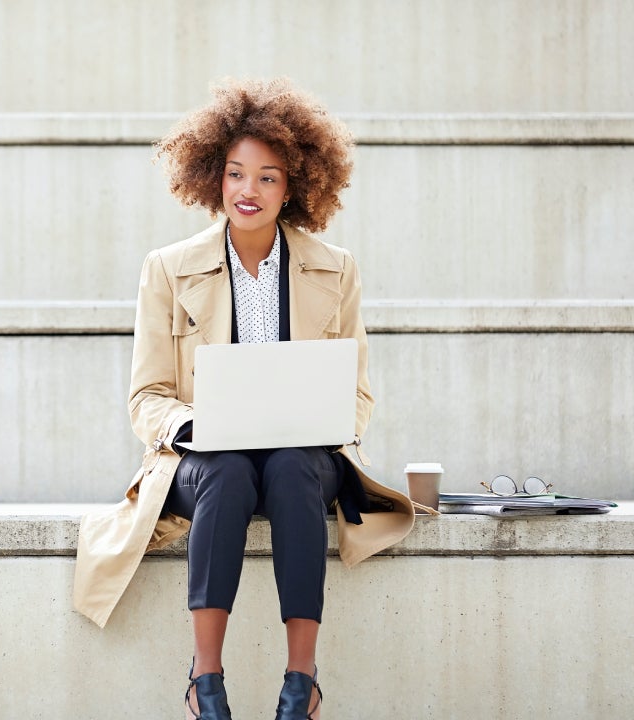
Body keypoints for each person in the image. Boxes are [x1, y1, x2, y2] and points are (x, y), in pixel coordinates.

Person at [73, 78, 419, 720]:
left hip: (300, 455)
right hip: (205, 463)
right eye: (235, 174)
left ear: (294, 186)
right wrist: (193, 424)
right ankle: (206, 683)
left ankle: (301, 681)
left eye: (267, 177)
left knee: (290, 465)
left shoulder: (335, 268)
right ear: (214, 178)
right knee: (229, 472)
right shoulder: (167, 268)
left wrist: (324, 420)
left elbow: (358, 391)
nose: (248, 191)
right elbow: (146, 396)